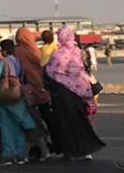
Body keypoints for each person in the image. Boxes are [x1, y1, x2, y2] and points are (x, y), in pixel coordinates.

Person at [42, 22, 105, 160]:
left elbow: (51, 72)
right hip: (79, 90)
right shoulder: (77, 51)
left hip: (62, 93)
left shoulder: (58, 54)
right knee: (81, 120)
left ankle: (70, 150)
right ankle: (86, 149)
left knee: (65, 123)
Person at [0, 39, 37, 166]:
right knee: (18, 125)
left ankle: (8, 155)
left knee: (6, 126)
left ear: (3, 50)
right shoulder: (18, 61)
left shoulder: (4, 61)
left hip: (5, 96)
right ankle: (21, 154)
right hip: (18, 94)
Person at [11, 27, 57, 159]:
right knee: (45, 118)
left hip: (26, 92)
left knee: (30, 120)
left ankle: (36, 147)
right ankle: (48, 143)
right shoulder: (35, 50)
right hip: (41, 90)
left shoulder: (17, 52)